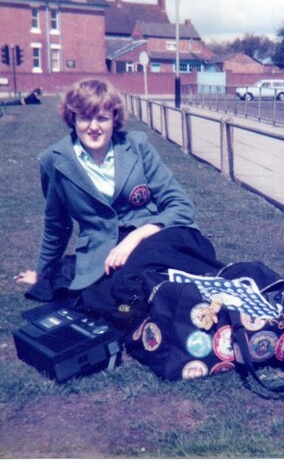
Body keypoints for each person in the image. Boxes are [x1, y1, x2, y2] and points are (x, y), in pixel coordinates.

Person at [16, 78, 222, 329]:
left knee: (155, 269)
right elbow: (56, 226)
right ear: (73, 119)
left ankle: (223, 301)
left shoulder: (137, 146)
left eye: (102, 118)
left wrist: (137, 236)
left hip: (157, 237)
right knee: (123, 301)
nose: (93, 127)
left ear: (114, 119)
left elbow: (180, 205)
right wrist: (43, 274)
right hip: (105, 256)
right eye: (84, 118)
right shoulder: (54, 161)